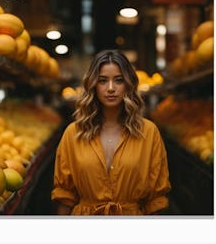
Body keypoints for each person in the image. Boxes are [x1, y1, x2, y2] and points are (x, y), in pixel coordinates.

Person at [51, 49, 171, 215]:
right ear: (93, 84)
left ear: (128, 84)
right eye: (102, 81)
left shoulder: (149, 132)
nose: (111, 88)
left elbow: (155, 201)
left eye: (119, 80)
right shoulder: (73, 133)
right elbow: (64, 195)